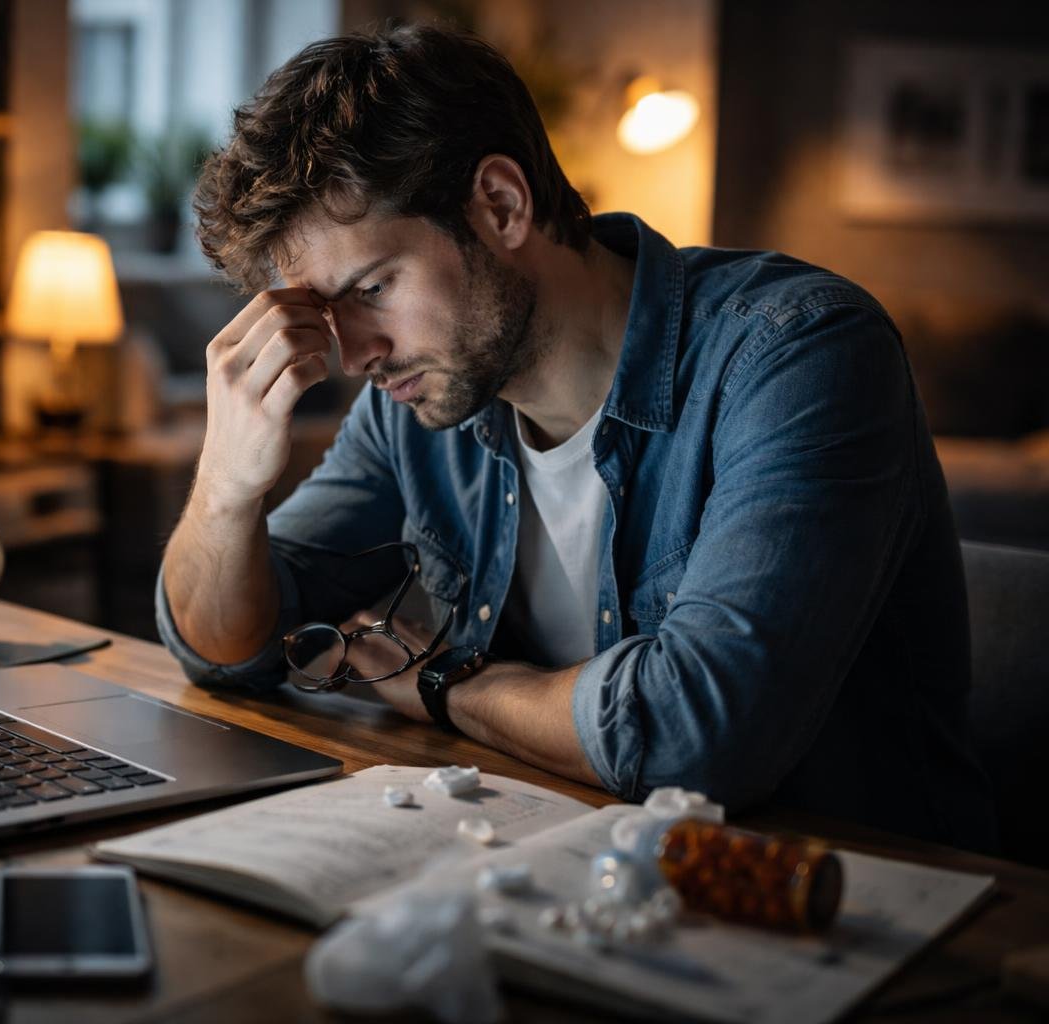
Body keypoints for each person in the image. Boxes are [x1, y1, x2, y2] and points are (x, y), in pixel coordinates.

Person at [155, 23, 995, 849]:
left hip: (852, 904)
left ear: (501, 205)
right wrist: (229, 482)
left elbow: (696, 738)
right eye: (324, 315)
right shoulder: (417, 401)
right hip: (571, 869)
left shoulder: (797, 352)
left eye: (372, 287)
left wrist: (444, 682)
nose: (354, 353)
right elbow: (229, 650)